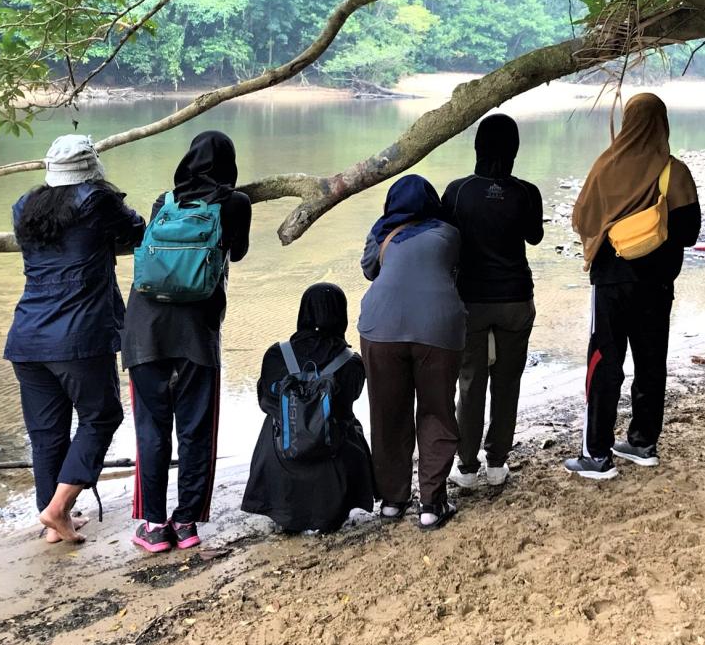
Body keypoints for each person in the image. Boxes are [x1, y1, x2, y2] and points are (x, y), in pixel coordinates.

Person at [4, 134, 145, 543]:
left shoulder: (24, 206)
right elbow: (137, 232)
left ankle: (53, 520)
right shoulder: (97, 201)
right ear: (90, 168)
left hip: (27, 337)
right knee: (102, 417)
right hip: (79, 337)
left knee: (47, 432)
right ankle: (57, 509)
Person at [121, 131, 252, 553]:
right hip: (197, 330)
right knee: (196, 430)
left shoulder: (165, 201)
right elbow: (238, 254)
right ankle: (187, 523)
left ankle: (154, 526)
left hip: (144, 328)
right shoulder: (236, 204)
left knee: (152, 429)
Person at [565, 93, 701, 480]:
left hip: (611, 280)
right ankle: (642, 442)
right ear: (662, 123)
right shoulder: (674, 172)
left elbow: (581, 219)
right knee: (650, 361)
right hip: (656, 284)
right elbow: (690, 233)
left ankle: (597, 454)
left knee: (604, 362)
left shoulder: (606, 166)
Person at [358, 174, 467, 530]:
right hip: (438, 328)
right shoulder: (449, 233)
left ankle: (392, 501)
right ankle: (432, 505)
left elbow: (368, 269)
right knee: (436, 412)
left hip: (380, 329)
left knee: (389, 414)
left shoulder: (380, 232)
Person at [442, 114, 544, 490]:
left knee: (470, 382)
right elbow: (534, 237)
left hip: (470, 301)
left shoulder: (457, 191)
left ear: (477, 146)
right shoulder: (527, 192)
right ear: (515, 149)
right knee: (507, 382)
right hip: (516, 298)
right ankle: (497, 463)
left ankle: (467, 467)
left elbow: (445, 241)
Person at [242, 283, 375, 532]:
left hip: (282, 462)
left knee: (274, 420)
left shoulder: (276, 354)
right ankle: (337, 506)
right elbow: (349, 401)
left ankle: (284, 511)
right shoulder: (352, 362)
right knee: (349, 423)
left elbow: (264, 402)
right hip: (332, 463)